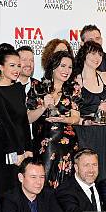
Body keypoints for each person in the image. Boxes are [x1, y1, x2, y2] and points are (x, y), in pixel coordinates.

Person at [26, 50, 81, 188]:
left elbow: (75, 118)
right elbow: (28, 118)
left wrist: (62, 119)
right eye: (62, 66)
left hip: (66, 147)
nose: (66, 70)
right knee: (42, 185)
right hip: (43, 147)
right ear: (53, 66)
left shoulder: (73, 89)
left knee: (65, 187)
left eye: (70, 67)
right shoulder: (38, 87)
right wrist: (43, 106)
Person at [0, 44, 32, 197]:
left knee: (23, 193)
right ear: (1, 67)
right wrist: (18, 152)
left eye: (18, 65)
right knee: (8, 190)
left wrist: (28, 149)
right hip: (4, 149)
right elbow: (7, 124)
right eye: (12, 65)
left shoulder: (18, 89)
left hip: (21, 149)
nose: (17, 69)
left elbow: (24, 121)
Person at [74, 41, 106, 181]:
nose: (96, 57)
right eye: (92, 53)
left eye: (99, 54)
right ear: (84, 55)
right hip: (84, 131)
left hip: (104, 130)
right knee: (86, 171)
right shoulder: (75, 80)